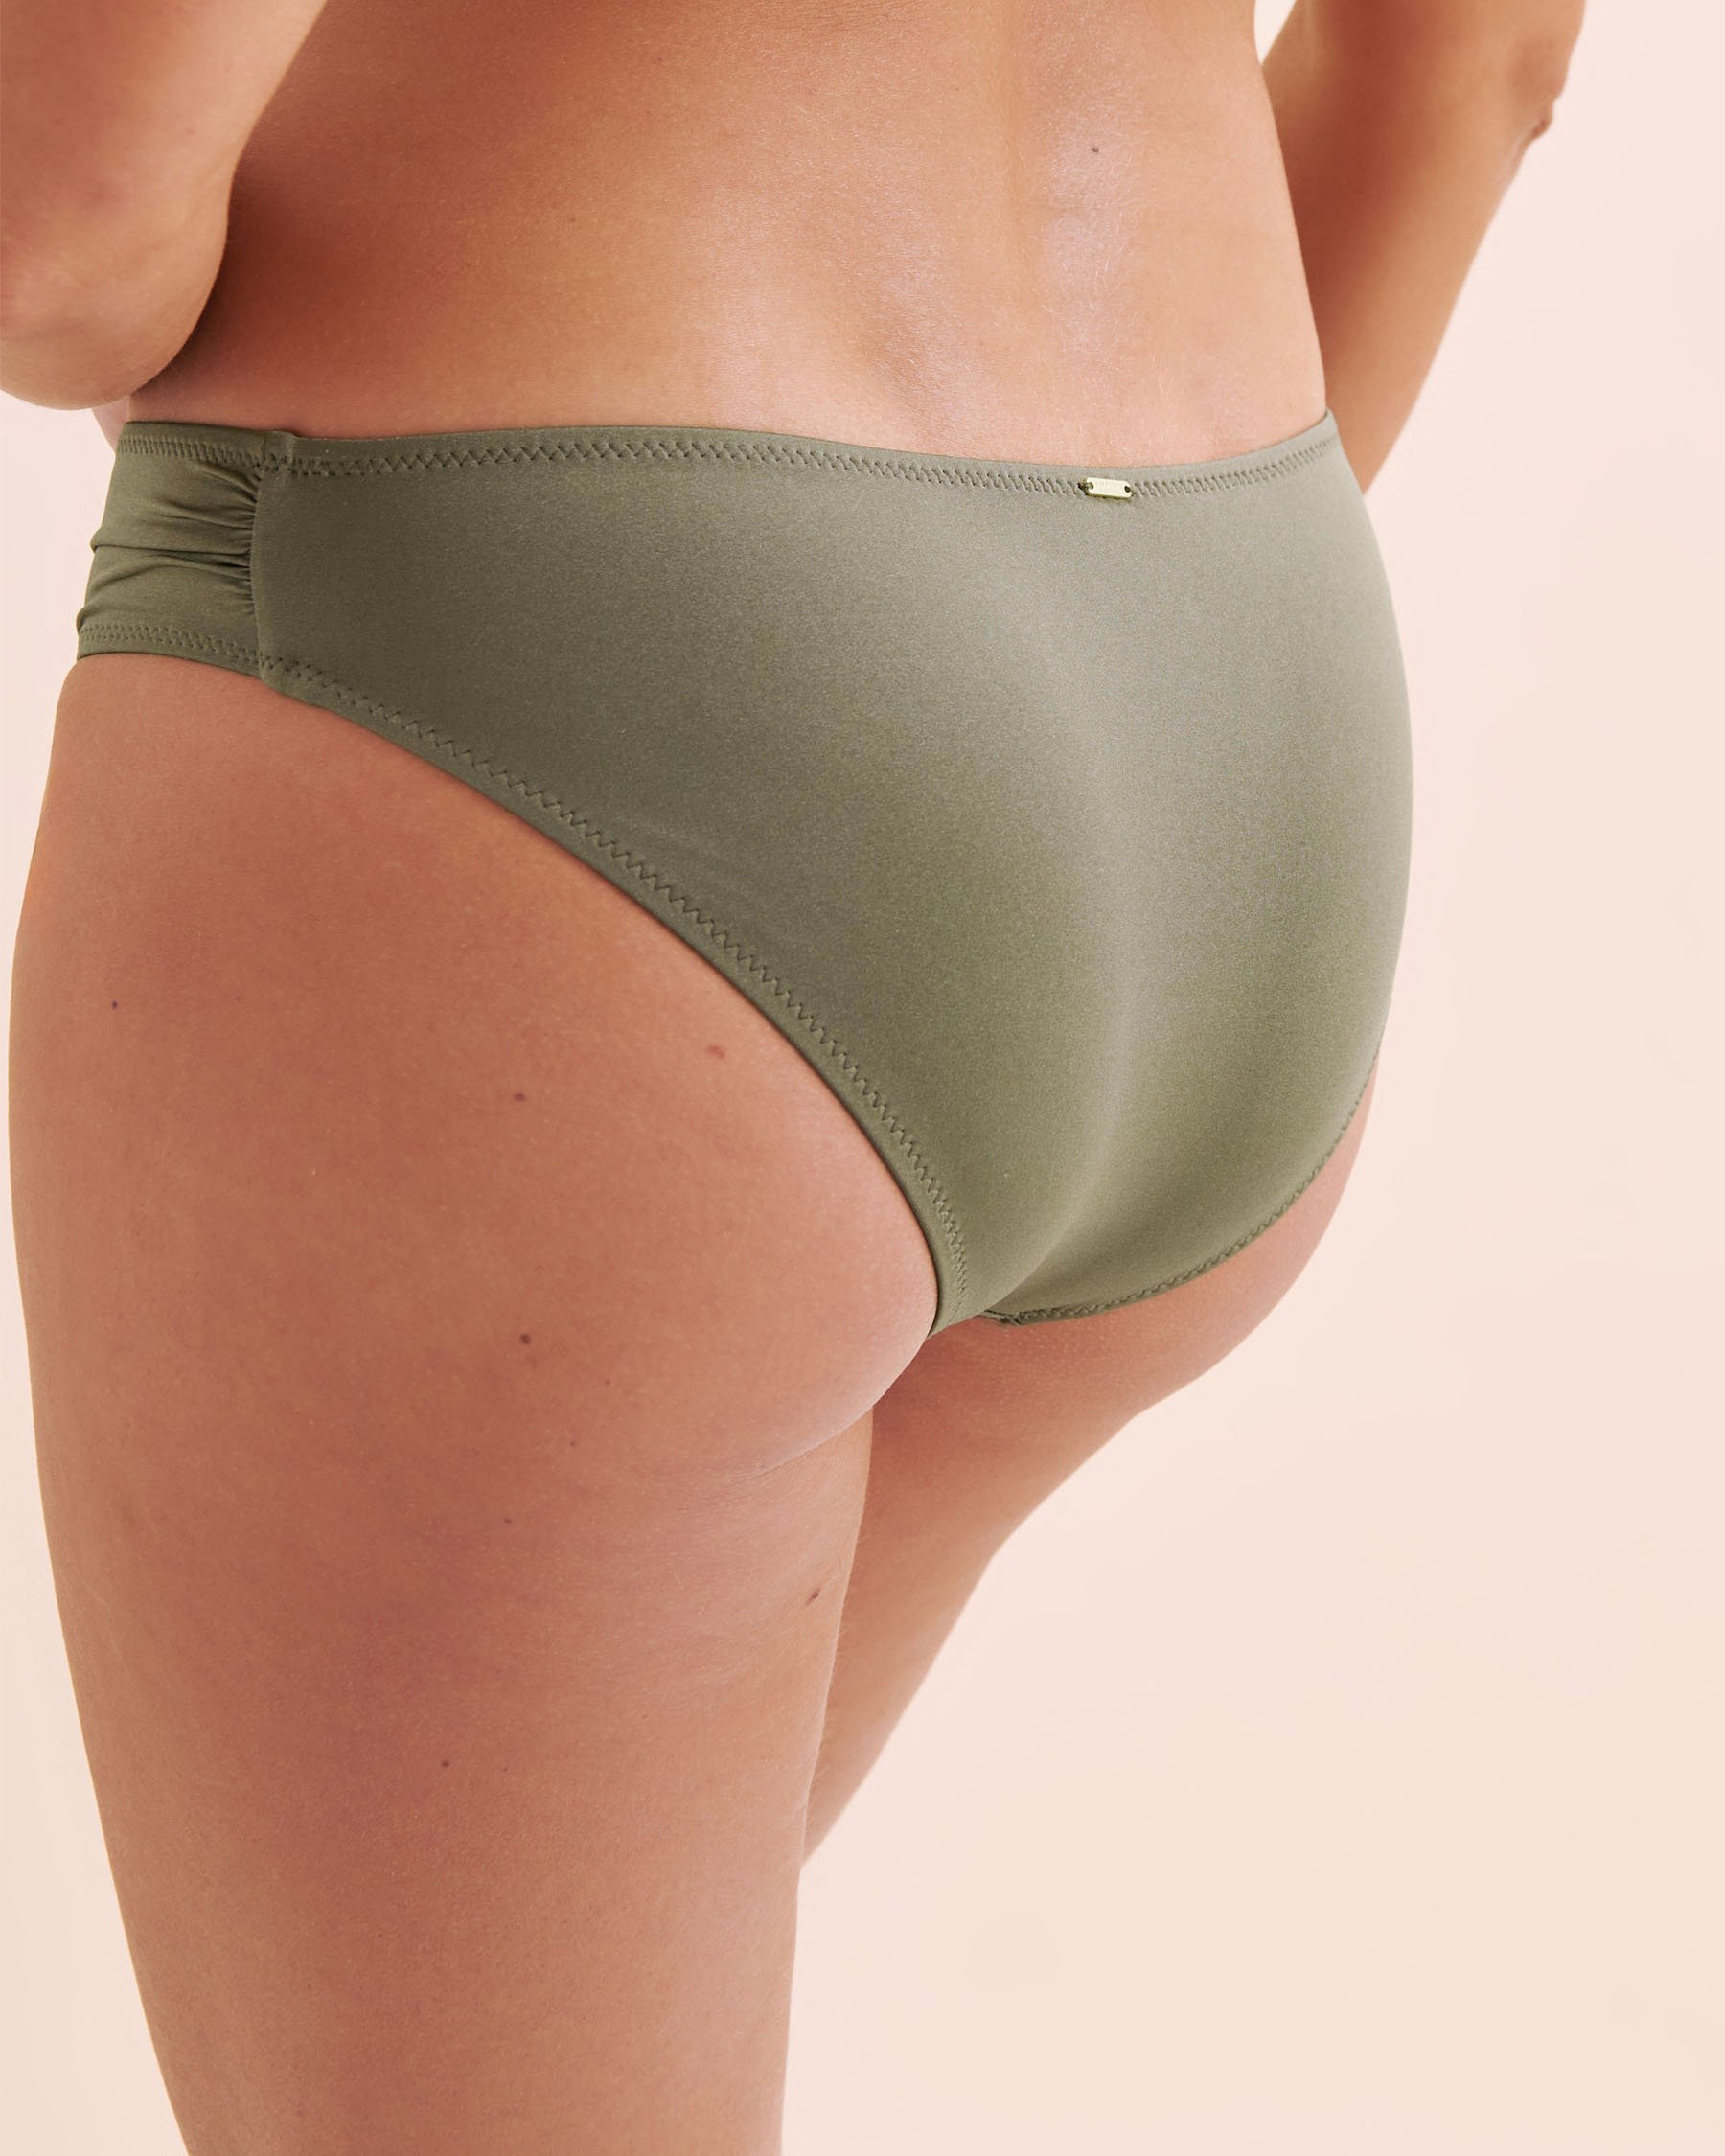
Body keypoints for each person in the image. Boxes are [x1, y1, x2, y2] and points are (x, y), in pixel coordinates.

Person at [1, 0, 1584, 2146]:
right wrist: (1025, 706)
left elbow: (69, 219)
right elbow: (1473, 62)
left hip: (550, 673)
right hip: (1232, 684)